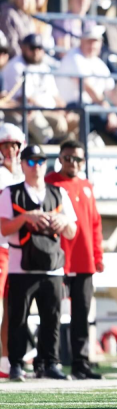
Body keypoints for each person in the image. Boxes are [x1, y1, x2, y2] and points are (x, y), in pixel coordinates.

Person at [2, 143, 77, 381]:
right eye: (31, 162)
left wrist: (62, 222)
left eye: (41, 161)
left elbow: (73, 231)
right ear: (22, 165)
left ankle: (49, 363)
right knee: (18, 318)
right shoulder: (10, 192)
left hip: (52, 265)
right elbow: (4, 228)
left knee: (52, 318)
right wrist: (26, 217)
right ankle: (15, 363)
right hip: (21, 266)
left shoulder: (58, 193)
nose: (37, 167)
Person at [43, 140, 102, 380]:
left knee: (82, 314)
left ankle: (81, 363)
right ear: (60, 159)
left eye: (77, 159)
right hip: (56, 259)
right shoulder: (49, 183)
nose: (72, 163)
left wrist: (98, 255)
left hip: (84, 259)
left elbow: (95, 223)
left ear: (83, 161)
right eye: (67, 158)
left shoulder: (87, 185)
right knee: (52, 313)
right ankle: (49, 361)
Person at [1, 33, 69, 143]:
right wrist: (47, 108)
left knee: (70, 118)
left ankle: (67, 148)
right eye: (32, 48)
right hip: (27, 111)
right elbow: (21, 98)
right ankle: (49, 143)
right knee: (31, 113)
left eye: (39, 48)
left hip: (46, 109)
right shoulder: (15, 66)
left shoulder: (44, 66)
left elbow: (55, 94)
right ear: (23, 48)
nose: (36, 51)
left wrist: (62, 108)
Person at [0, 123, 25, 379]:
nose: (10, 150)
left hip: (18, 248)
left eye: (14, 145)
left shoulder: (23, 176)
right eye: (5, 145)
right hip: (1, 246)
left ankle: (6, 361)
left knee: (13, 308)